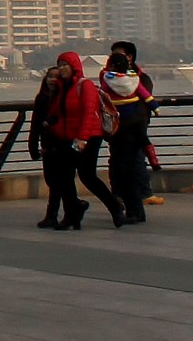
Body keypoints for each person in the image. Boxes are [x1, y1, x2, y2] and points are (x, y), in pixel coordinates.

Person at [32, 51, 123, 228]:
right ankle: (72, 215)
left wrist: (82, 138)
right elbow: (59, 114)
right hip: (68, 138)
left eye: (65, 65)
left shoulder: (85, 85)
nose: (62, 68)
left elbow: (89, 113)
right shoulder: (61, 88)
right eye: (59, 65)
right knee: (65, 177)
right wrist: (48, 125)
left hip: (89, 137)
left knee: (87, 176)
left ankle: (115, 207)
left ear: (74, 66)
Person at [110, 39, 167, 206]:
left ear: (129, 57)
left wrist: (138, 123)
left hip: (135, 127)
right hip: (116, 127)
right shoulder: (110, 78)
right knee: (116, 161)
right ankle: (118, 194)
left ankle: (144, 193)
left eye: (117, 55)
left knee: (137, 159)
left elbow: (145, 101)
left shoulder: (141, 78)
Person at [100, 51, 153, 221]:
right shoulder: (134, 82)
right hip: (131, 133)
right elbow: (148, 100)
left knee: (126, 174)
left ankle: (135, 211)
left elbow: (102, 101)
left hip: (124, 133)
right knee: (126, 173)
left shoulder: (113, 83)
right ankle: (134, 211)